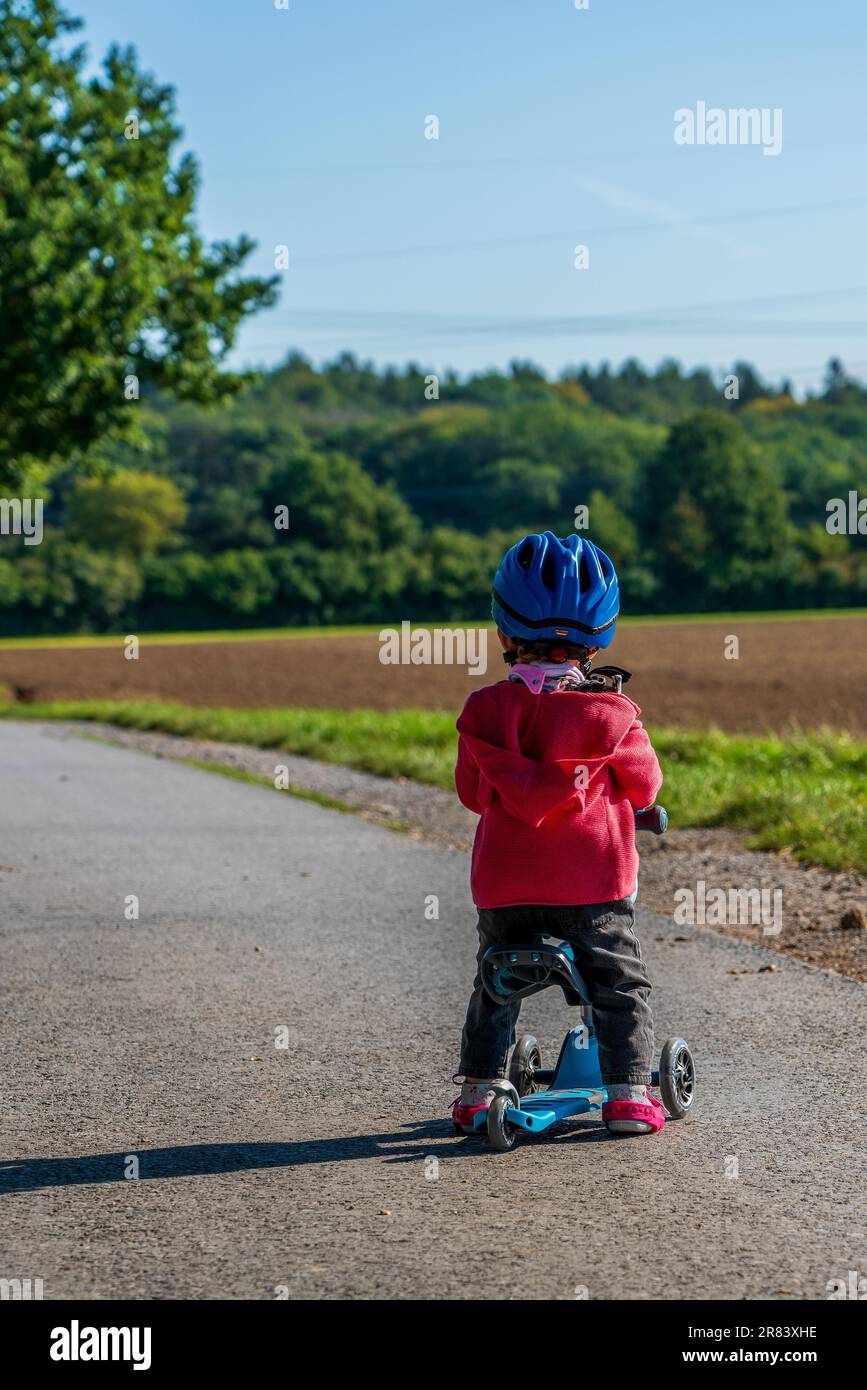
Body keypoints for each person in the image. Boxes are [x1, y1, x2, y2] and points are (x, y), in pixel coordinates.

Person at [452, 531, 665, 1136]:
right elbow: (645, 789)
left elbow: (472, 795)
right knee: (619, 984)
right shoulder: (612, 715)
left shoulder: (482, 712)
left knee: (496, 982)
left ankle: (478, 1089)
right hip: (592, 887)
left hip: (505, 889)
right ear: (601, 638)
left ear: (503, 633)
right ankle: (627, 1095)